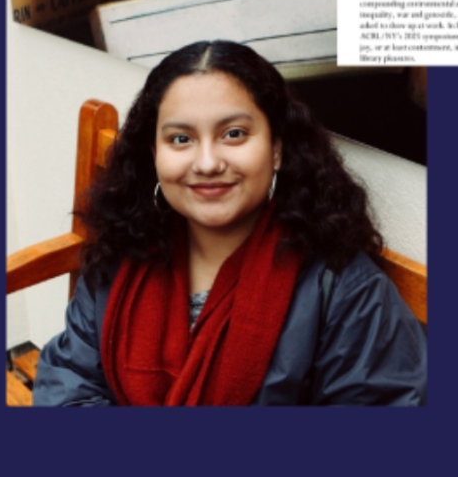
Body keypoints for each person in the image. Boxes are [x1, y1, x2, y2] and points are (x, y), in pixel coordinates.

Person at [34, 40, 425, 406]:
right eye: (181, 139)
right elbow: (68, 378)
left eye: (234, 134)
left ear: (276, 149)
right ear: (154, 153)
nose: (207, 163)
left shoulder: (342, 289)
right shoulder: (123, 249)